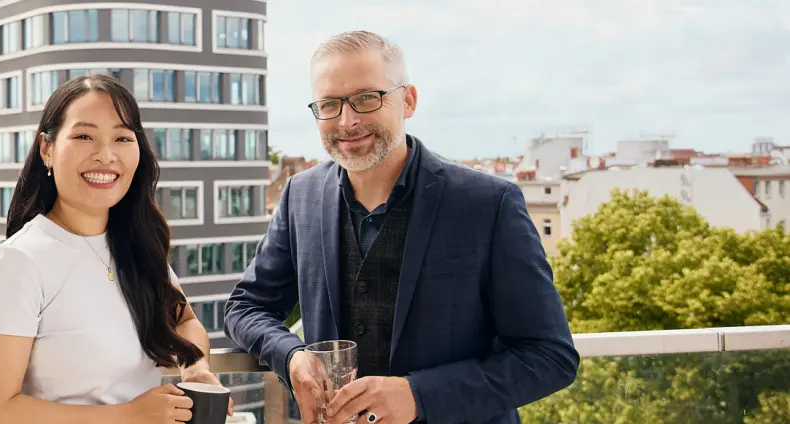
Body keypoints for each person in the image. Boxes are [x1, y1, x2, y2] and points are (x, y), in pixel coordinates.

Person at [224, 30, 579, 424]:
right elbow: (246, 307)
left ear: (408, 100)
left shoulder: (488, 203)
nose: (347, 120)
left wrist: (418, 396)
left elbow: (550, 356)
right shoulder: (300, 196)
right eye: (329, 104)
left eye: (366, 98)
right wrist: (292, 355)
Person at [0, 74, 232, 424]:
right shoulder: (18, 262)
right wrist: (128, 416)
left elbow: (185, 321)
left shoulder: (135, 247)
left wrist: (195, 367)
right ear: (47, 149)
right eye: (84, 136)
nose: (106, 155)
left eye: (122, 138)